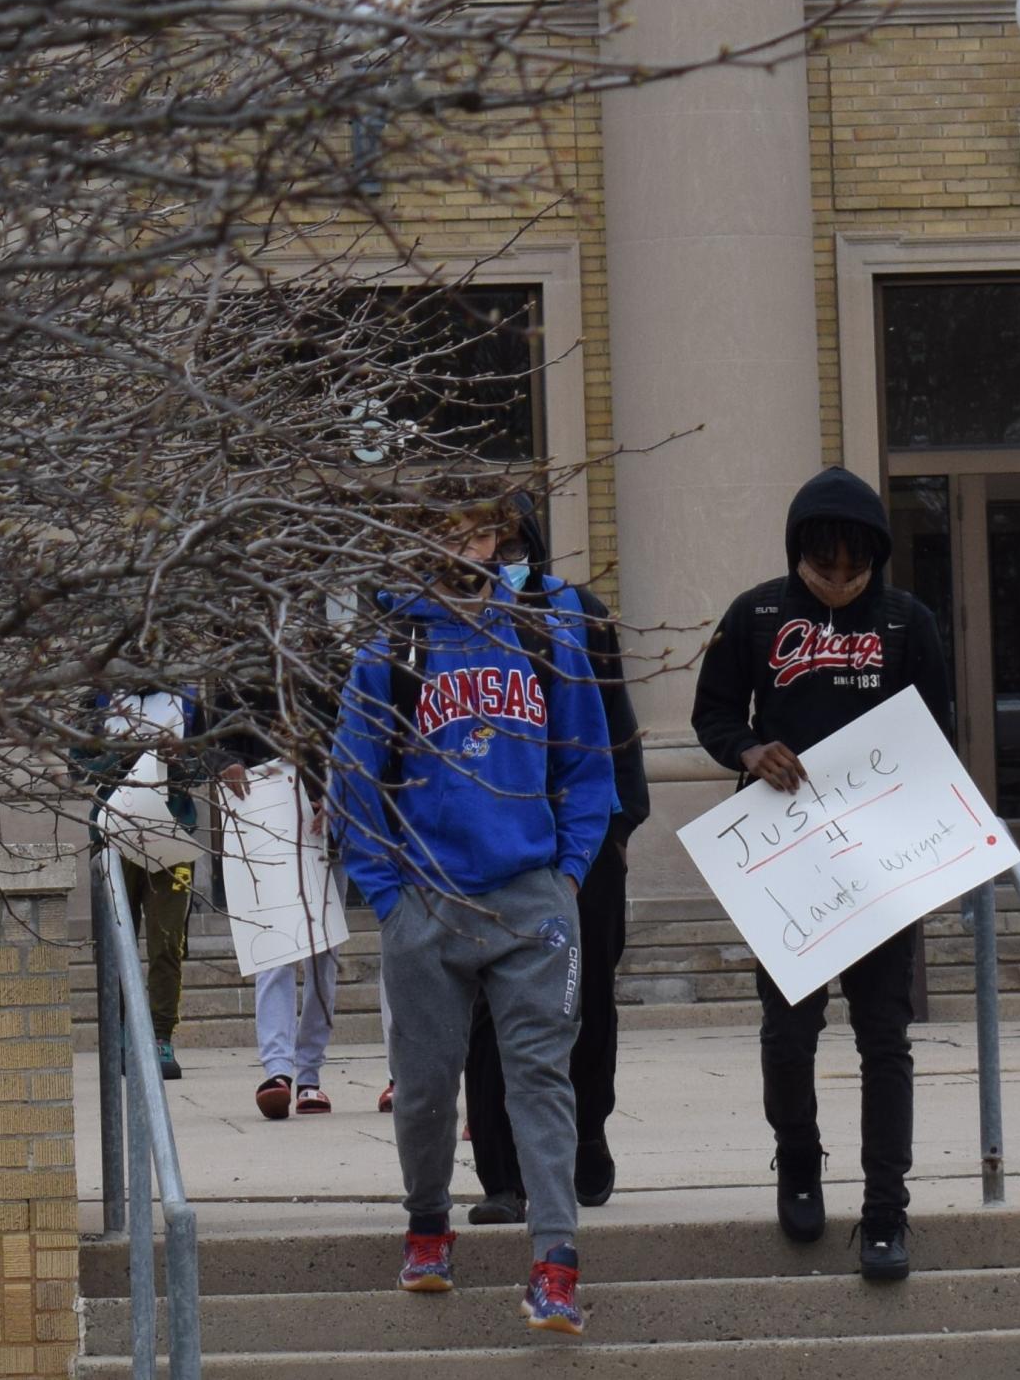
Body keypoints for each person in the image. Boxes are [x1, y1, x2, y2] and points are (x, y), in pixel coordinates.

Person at [330, 485, 614, 1336]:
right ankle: (427, 1228)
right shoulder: (394, 642)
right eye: (443, 528)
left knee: (541, 1080)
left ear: (502, 537)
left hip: (531, 895)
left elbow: (586, 763)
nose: (465, 544)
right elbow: (351, 780)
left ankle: (555, 1265)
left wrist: (566, 874)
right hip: (427, 900)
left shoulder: (544, 629)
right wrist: (388, 893)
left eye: (480, 528)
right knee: (422, 1090)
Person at [691, 466, 950, 1283]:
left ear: (874, 556)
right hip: (786, 854)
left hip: (878, 857)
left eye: (852, 566)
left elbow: (934, 734)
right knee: (788, 1029)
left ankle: (884, 1208)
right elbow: (712, 712)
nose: (836, 581)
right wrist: (746, 748)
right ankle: (797, 1156)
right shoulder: (757, 614)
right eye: (821, 565)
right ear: (799, 552)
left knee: (884, 1035)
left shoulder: (907, 621)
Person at [465, 496, 648, 1223]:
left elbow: (619, 729)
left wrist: (618, 831)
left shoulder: (577, 612)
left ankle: (586, 1134)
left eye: (510, 544)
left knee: (585, 995)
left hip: (582, 837)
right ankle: (501, 1172)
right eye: (486, 544)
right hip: (490, 837)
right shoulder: (444, 622)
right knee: (488, 1004)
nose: (498, 559)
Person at [214, 685, 342, 1119]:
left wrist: (336, 796)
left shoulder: (326, 673)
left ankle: (309, 1073)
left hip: (321, 827)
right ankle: (278, 1070)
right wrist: (226, 764)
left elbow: (351, 743)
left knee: (325, 952)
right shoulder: (243, 676)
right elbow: (213, 739)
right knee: (274, 947)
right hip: (264, 821)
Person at [72, 685, 205, 1081]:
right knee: (116, 942)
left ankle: (161, 1036)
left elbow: (207, 763)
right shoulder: (96, 698)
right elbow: (77, 766)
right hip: (114, 833)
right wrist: (122, 755)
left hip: (172, 832)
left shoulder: (189, 698)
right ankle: (123, 1034)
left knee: (167, 942)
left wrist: (178, 760)